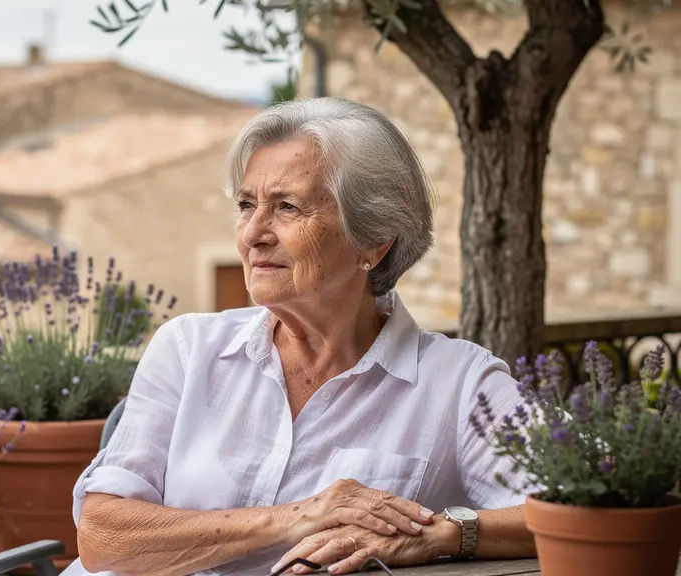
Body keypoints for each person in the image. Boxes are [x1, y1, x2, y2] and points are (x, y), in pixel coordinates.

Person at [65, 97, 535, 576]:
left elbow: (586, 508)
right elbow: (105, 538)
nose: (252, 233)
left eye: (287, 207)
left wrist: (443, 535)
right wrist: (298, 517)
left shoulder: (458, 384)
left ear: (375, 240)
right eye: (247, 205)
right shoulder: (188, 349)